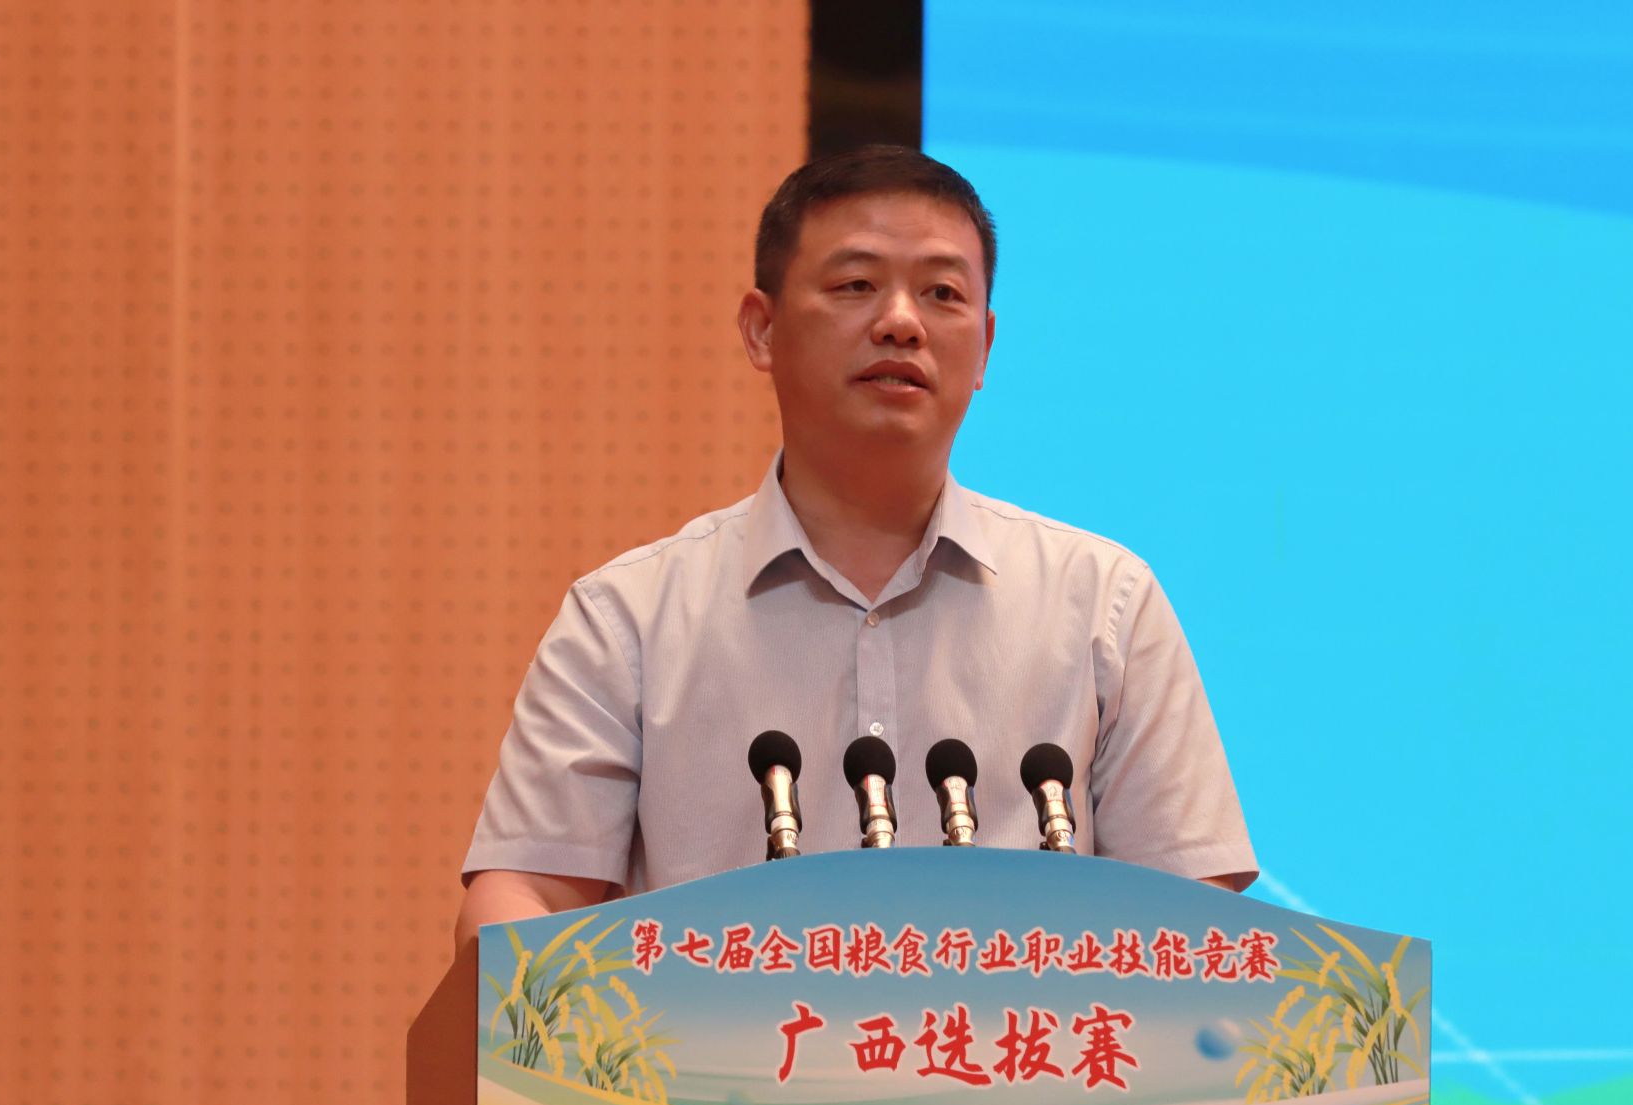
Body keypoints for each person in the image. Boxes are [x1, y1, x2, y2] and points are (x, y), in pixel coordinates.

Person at [455, 146, 1254, 949]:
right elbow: (522, 893)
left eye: (943, 293)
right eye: (855, 285)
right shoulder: (628, 619)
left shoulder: (1104, 603)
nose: (901, 321)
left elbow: (1196, 924)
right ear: (762, 329)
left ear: (984, 346)